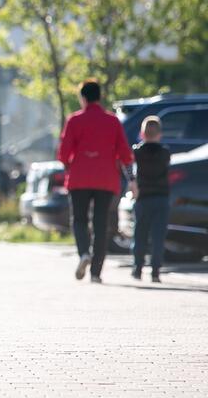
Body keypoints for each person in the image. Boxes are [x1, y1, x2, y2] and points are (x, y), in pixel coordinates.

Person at [57, 79, 133, 283]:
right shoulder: (113, 121)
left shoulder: (74, 120)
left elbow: (63, 154)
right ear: (99, 97)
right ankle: (96, 273)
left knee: (79, 220)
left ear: (83, 98)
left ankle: (83, 253)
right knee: (101, 224)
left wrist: (69, 166)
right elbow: (125, 154)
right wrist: (131, 179)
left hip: (80, 178)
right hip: (106, 179)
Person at [130, 116, 170, 283]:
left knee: (140, 234)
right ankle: (155, 271)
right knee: (158, 236)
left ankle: (138, 268)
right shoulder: (165, 152)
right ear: (160, 134)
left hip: (143, 197)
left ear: (142, 133)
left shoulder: (137, 151)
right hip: (161, 197)